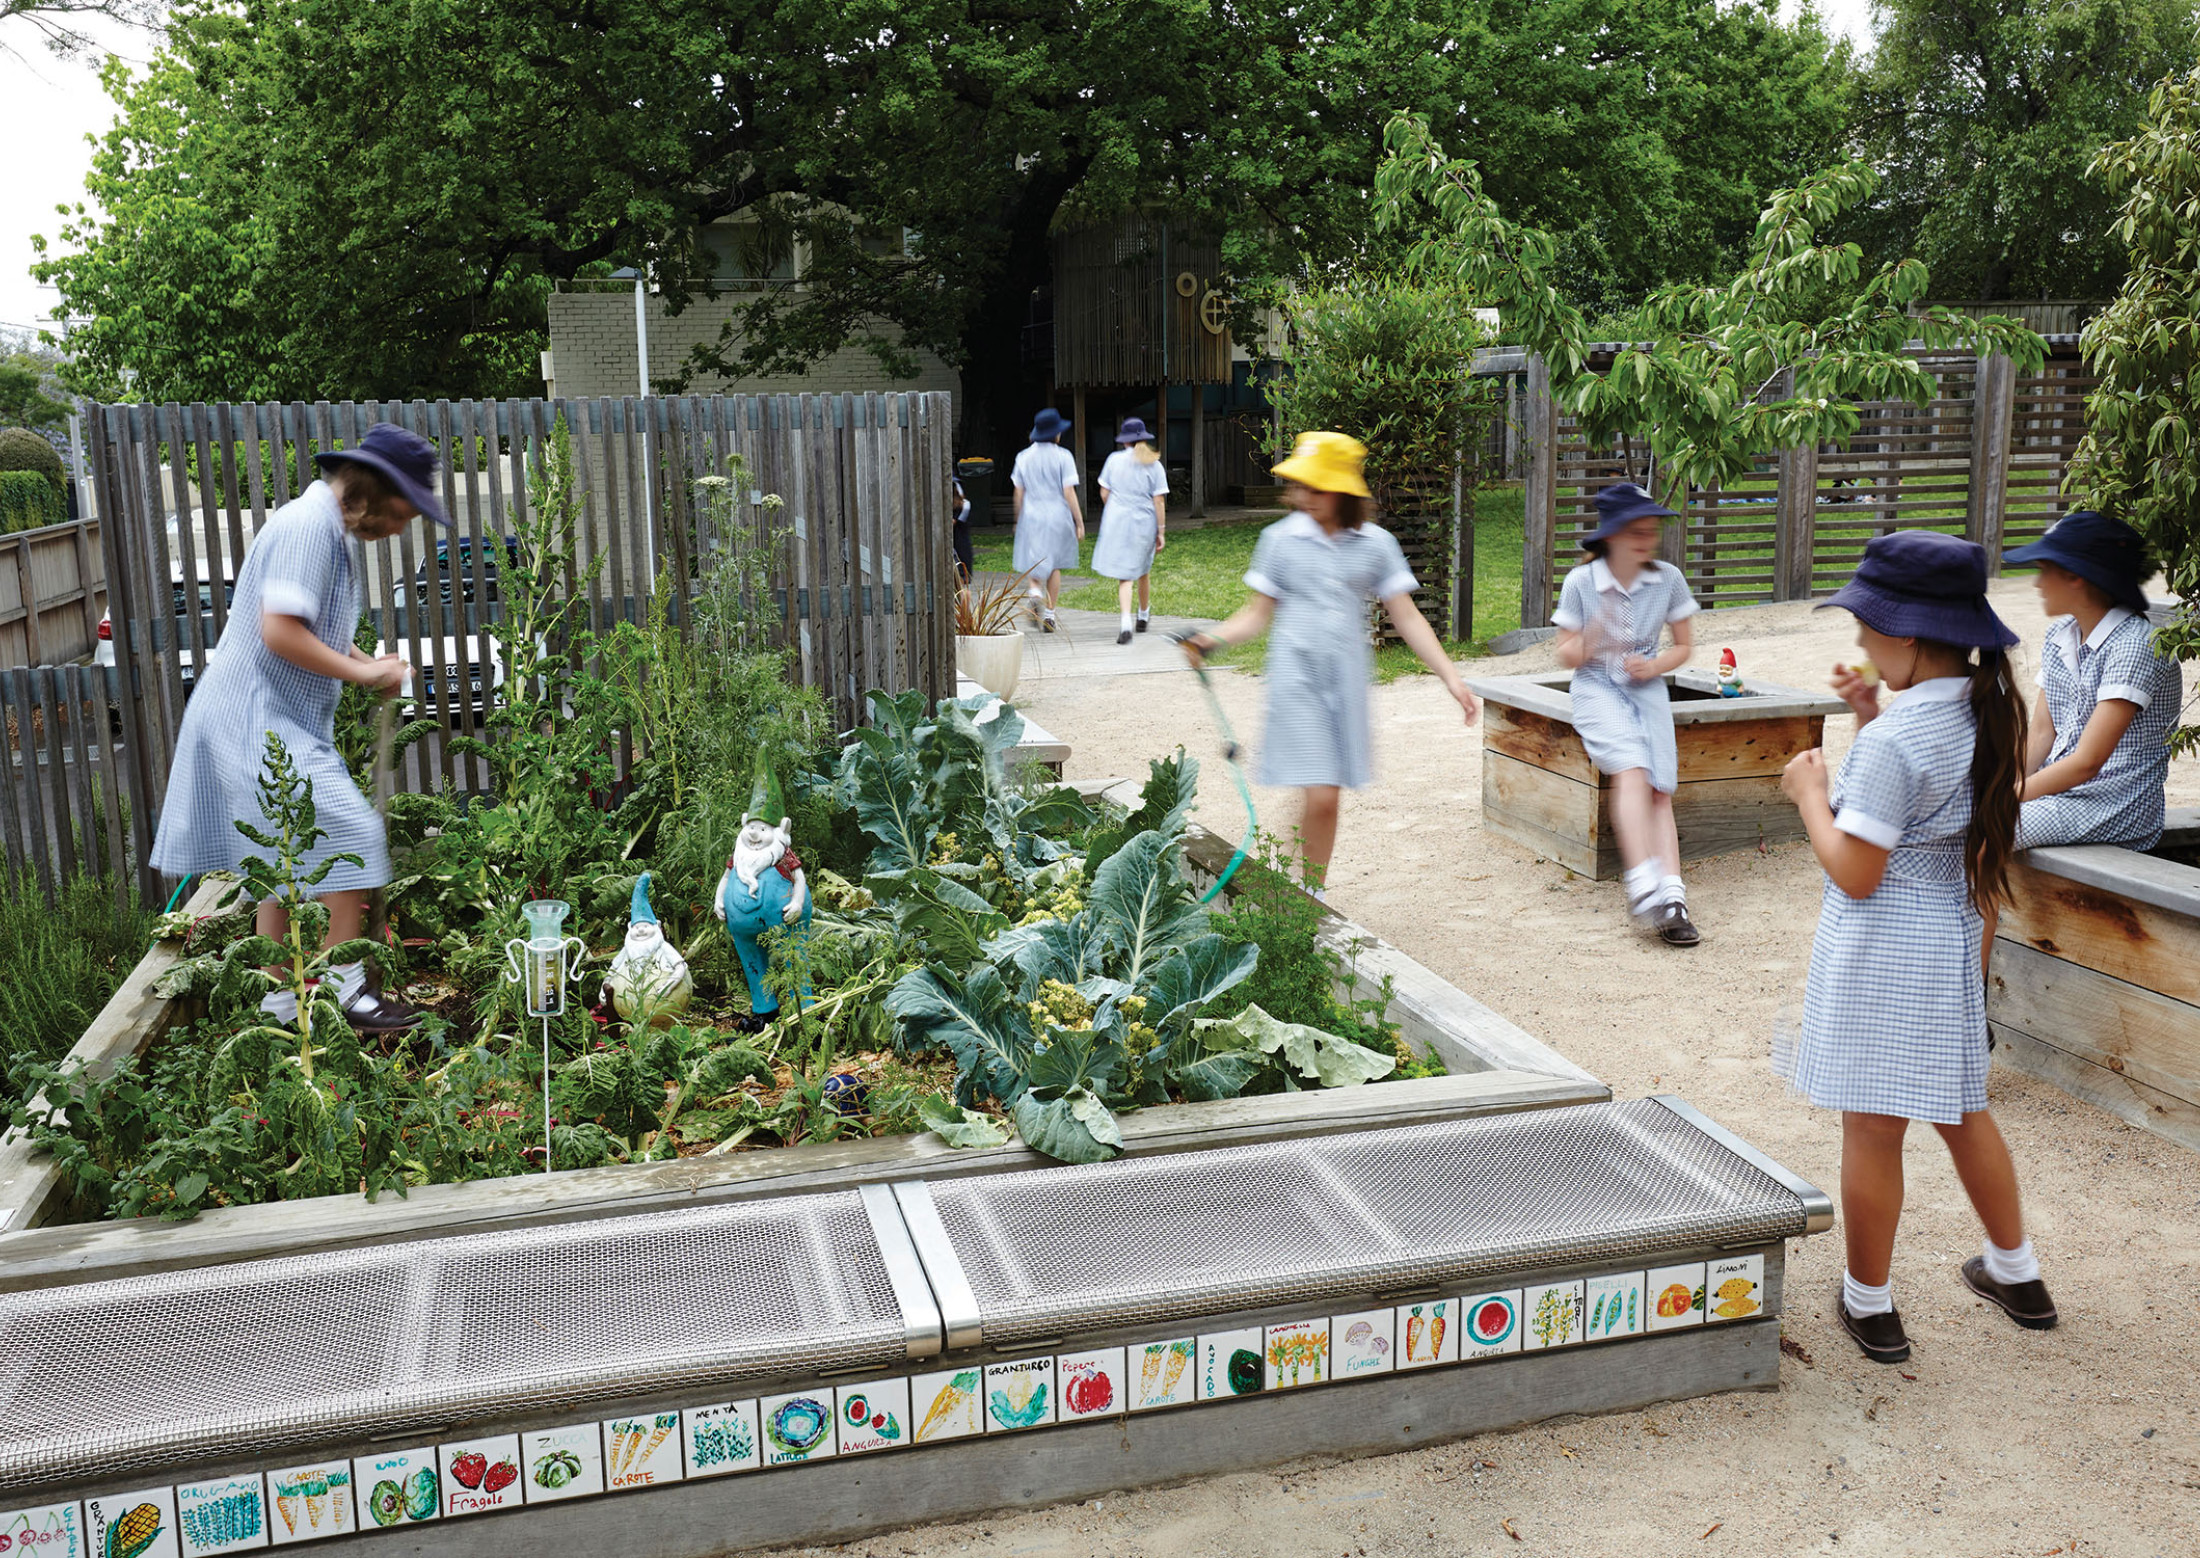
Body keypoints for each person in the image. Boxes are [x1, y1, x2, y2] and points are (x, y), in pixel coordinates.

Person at [1777, 529, 2054, 1365]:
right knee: (1963, 1109)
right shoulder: (1986, 707)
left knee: (1872, 1127)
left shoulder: (1898, 742)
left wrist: (1810, 795)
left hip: (1885, 952)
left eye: (1866, 628)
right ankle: (2017, 1273)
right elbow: (1940, 806)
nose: (1860, 640)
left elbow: (1858, 872)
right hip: (1949, 940)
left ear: (1904, 634)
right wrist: (1871, 711)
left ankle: (1869, 1303)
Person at [149, 423, 447, 1033]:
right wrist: (364, 675)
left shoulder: (326, 531)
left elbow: (314, 630)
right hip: (253, 718)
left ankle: (281, 1005)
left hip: (260, 716)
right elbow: (280, 632)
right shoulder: (308, 528)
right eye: (404, 511)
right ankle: (345, 990)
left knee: (277, 864)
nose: (402, 526)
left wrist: (369, 663)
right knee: (352, 834)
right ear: (375, 489)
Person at [1180, 432, 1479, 900]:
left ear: (1343, 491)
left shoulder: (1375, 544)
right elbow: (1256, 615)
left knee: (1325, 795)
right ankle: (1305, 897)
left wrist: (1451, 677)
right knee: (1320, 791)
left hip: (1345, 682)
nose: (1305, 495)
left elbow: (1406, 616)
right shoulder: (1279, 540)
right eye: (1301, 485)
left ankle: (1306, 894)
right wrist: (1207, 641)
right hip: (1295, 678)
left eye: (1316, 487)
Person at [1550, 482, 1701, 945]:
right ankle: (1641, 883)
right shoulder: (1582, 582)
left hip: (1647, 689)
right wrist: (1597, 631)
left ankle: (1672, 898)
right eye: (1636, 531)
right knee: (1632, 769)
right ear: (1611, 535)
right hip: (1597, 686)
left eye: (1651, 530)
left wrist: (1653, 666)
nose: (1646, 539)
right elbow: (1565, 655)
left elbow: (1685, 646)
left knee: (1658, 787)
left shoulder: (1668, 578)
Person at [2002, 509, 2180, 850]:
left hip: (2115, 807)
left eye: (2044, 570)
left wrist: (2004, 801)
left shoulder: (2134, 645)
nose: (2037, 583)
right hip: (2063, 795)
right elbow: (2041, 734)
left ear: (2076, 576)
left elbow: (2088, 761)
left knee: (1983, 829)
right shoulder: (2060, 635)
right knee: (1961, 814)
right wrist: (2001, 790)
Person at [1093, 416, 1169, 644]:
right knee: (1143, 570)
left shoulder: (1113, 460)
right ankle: (1143, 615)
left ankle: (1126, 622)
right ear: (1144, 438)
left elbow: (1104, 492)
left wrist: (1115, 509)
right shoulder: (1154, 463)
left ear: (1125, 440)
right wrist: (1161, 530)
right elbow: (1159, 501)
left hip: (1118, 521)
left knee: (1125, 576)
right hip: (1144, 521)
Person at [1009, 407, 1083, 631]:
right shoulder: (1064, 456)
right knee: (1054, 566)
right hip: (1058, 516)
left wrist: (1017, 519)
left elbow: (1018, 491)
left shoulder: (1023, 457)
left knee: (1035, 562)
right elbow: (1069, 491)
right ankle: (1049, 615)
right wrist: (1078, 521)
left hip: (1032, 516)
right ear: (1056, 434)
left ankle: (1034, 595)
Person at [949, 474, 974, 585]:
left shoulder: (964, 505)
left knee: (962, 553)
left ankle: (964, 576)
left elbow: (954, 522)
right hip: (954, 535)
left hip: (960, 534)